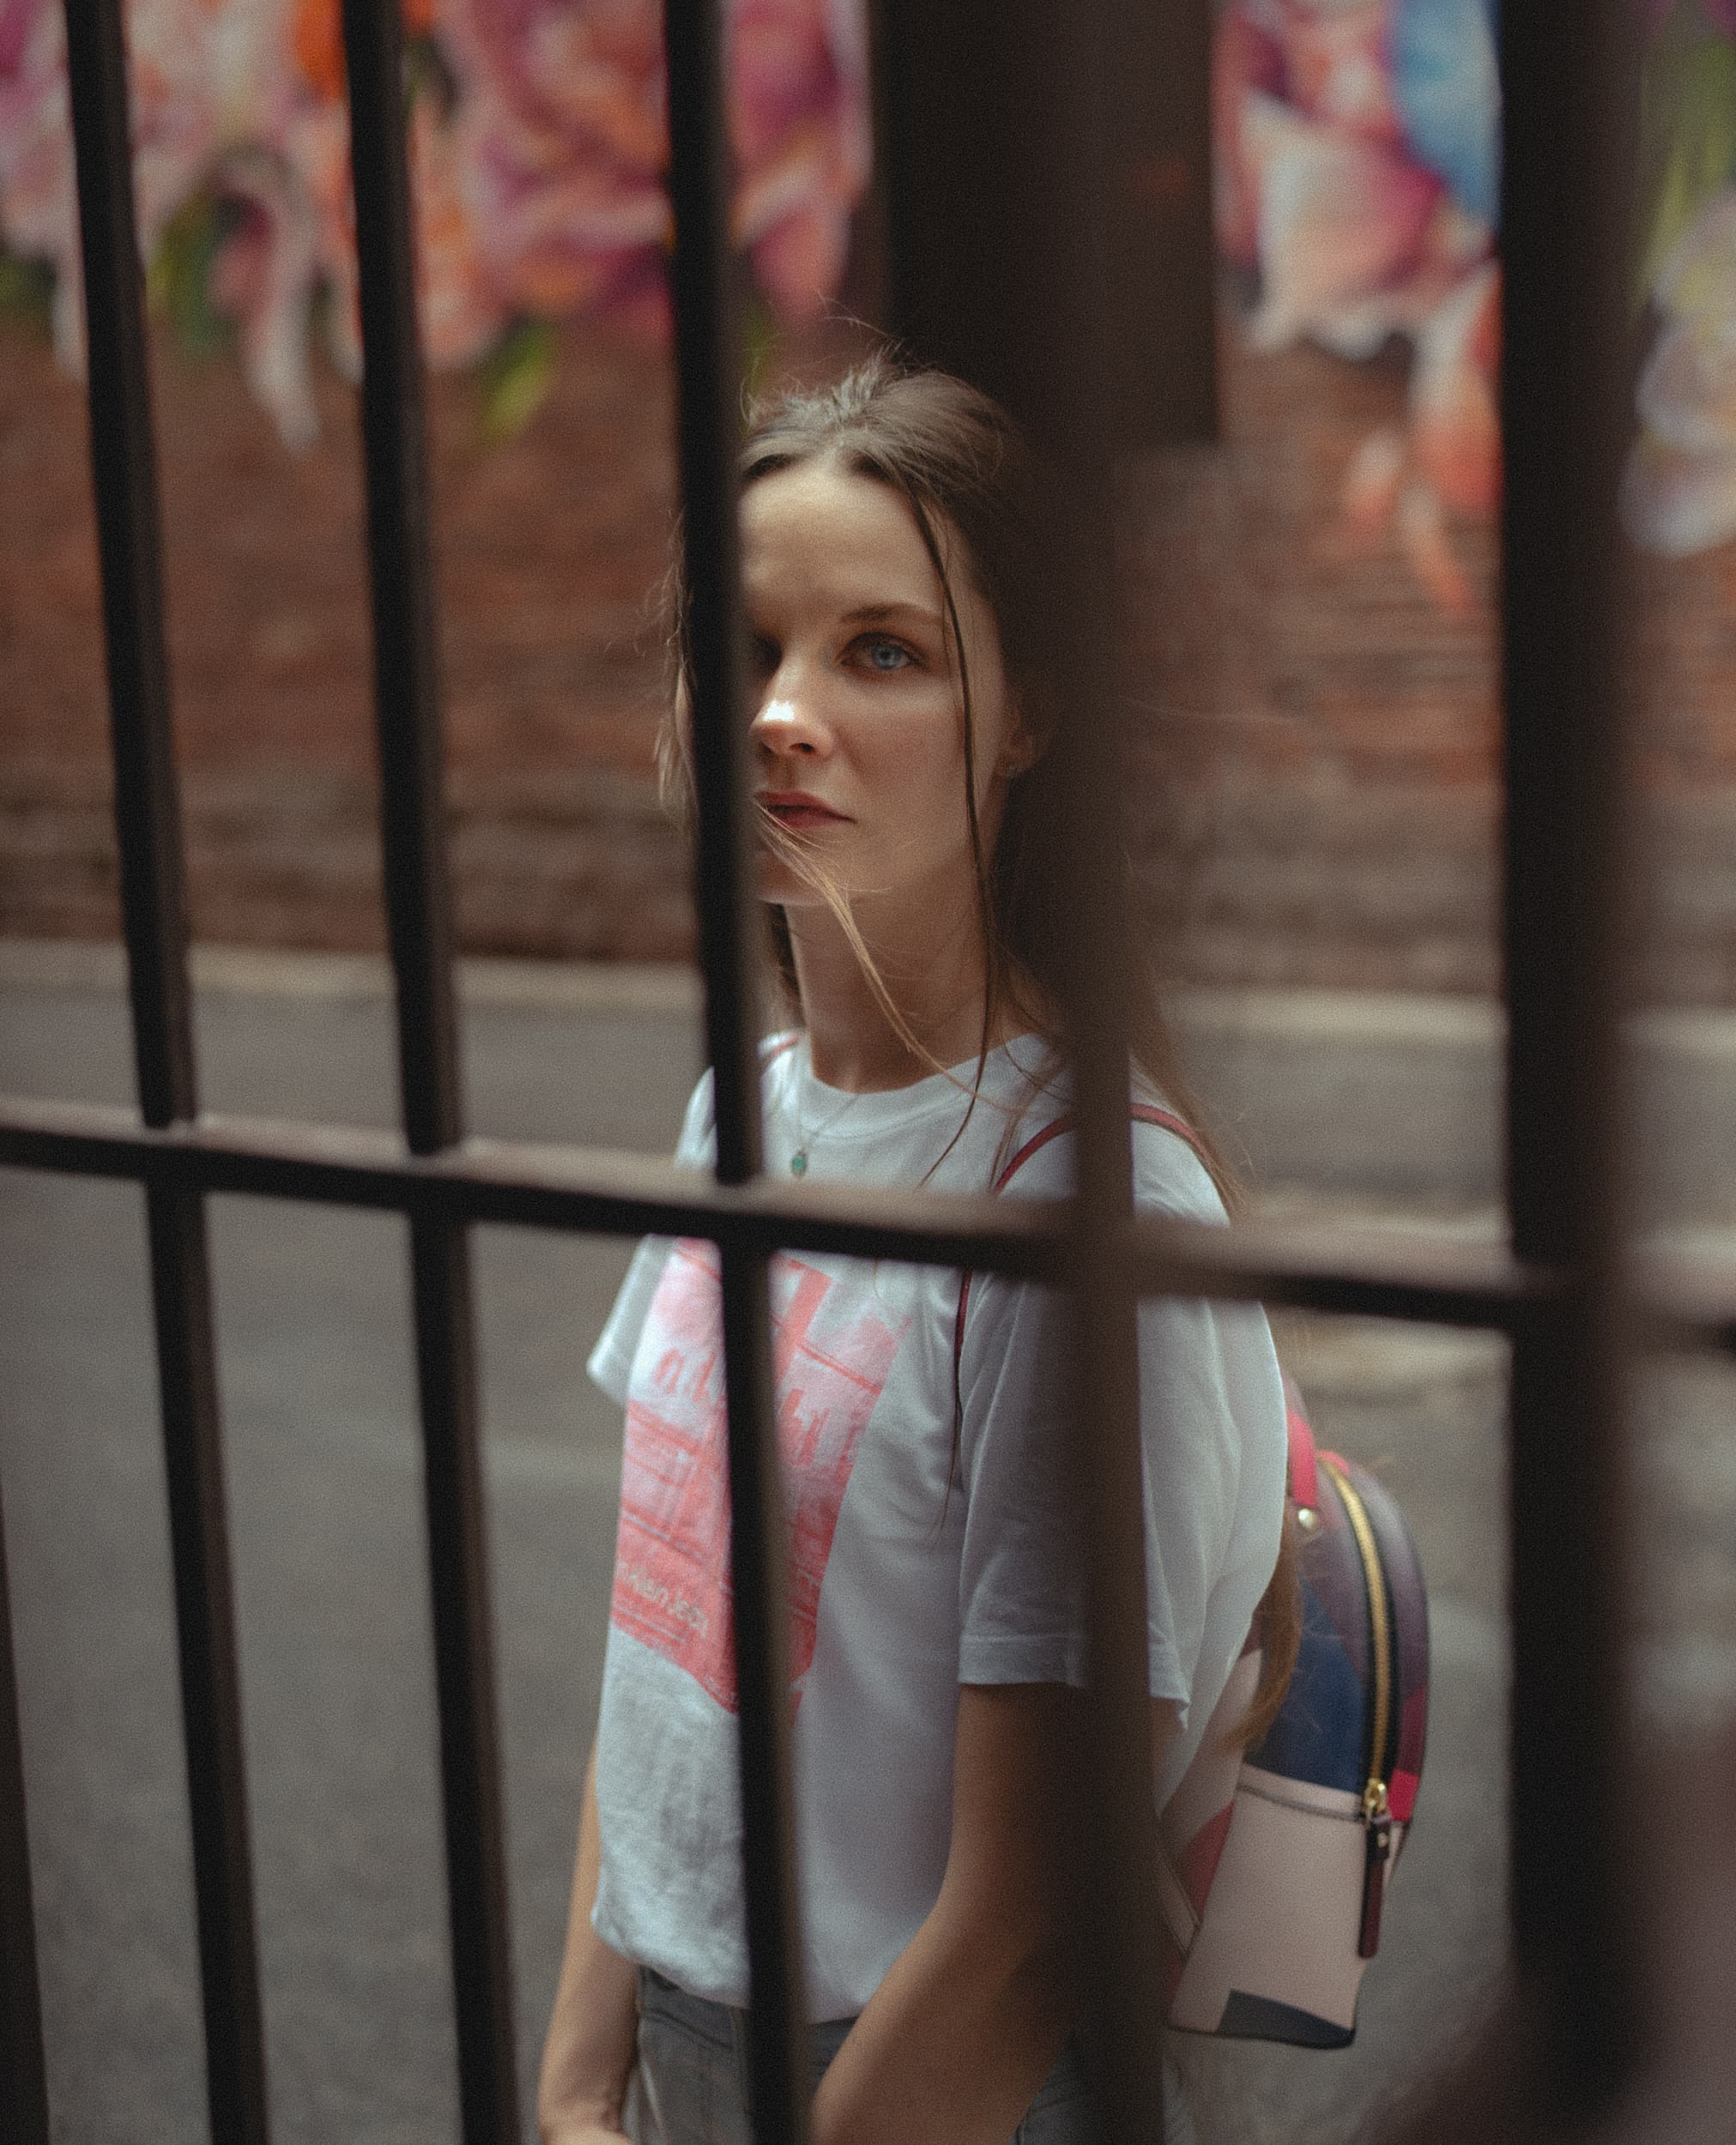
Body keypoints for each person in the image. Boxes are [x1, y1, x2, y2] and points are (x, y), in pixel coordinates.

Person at [536, 359, 1291, 2145]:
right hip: (684, 2058)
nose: (780, 714)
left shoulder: (1088, 1212)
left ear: (1021, 713)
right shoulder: (745, 1110)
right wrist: (574, 2088)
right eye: (744, 648)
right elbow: (666, 1651)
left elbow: (1028, 1931)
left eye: (882, 651)